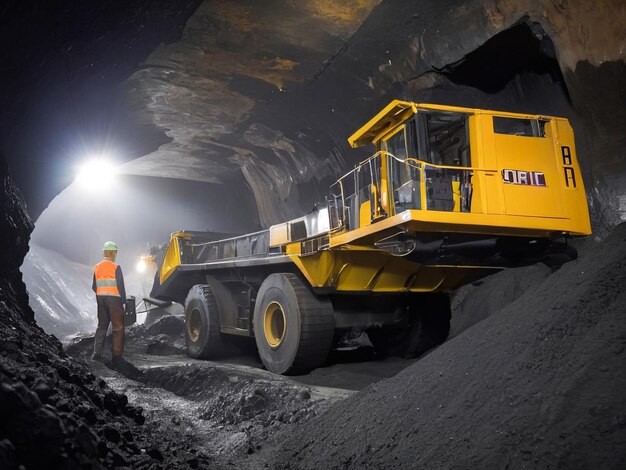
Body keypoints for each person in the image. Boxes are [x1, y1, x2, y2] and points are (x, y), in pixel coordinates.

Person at [91, 241, 126, 365]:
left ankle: (96, 354)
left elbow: (94, 286)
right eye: (115, 252)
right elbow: (121, 286)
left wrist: (102, 293)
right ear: (112, 253)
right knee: (118, 327)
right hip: (114, 299)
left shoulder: (97, 267)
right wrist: (123, 301)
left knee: (102, 325)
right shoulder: (115, 267)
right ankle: (116, 357)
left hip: (100, 298)